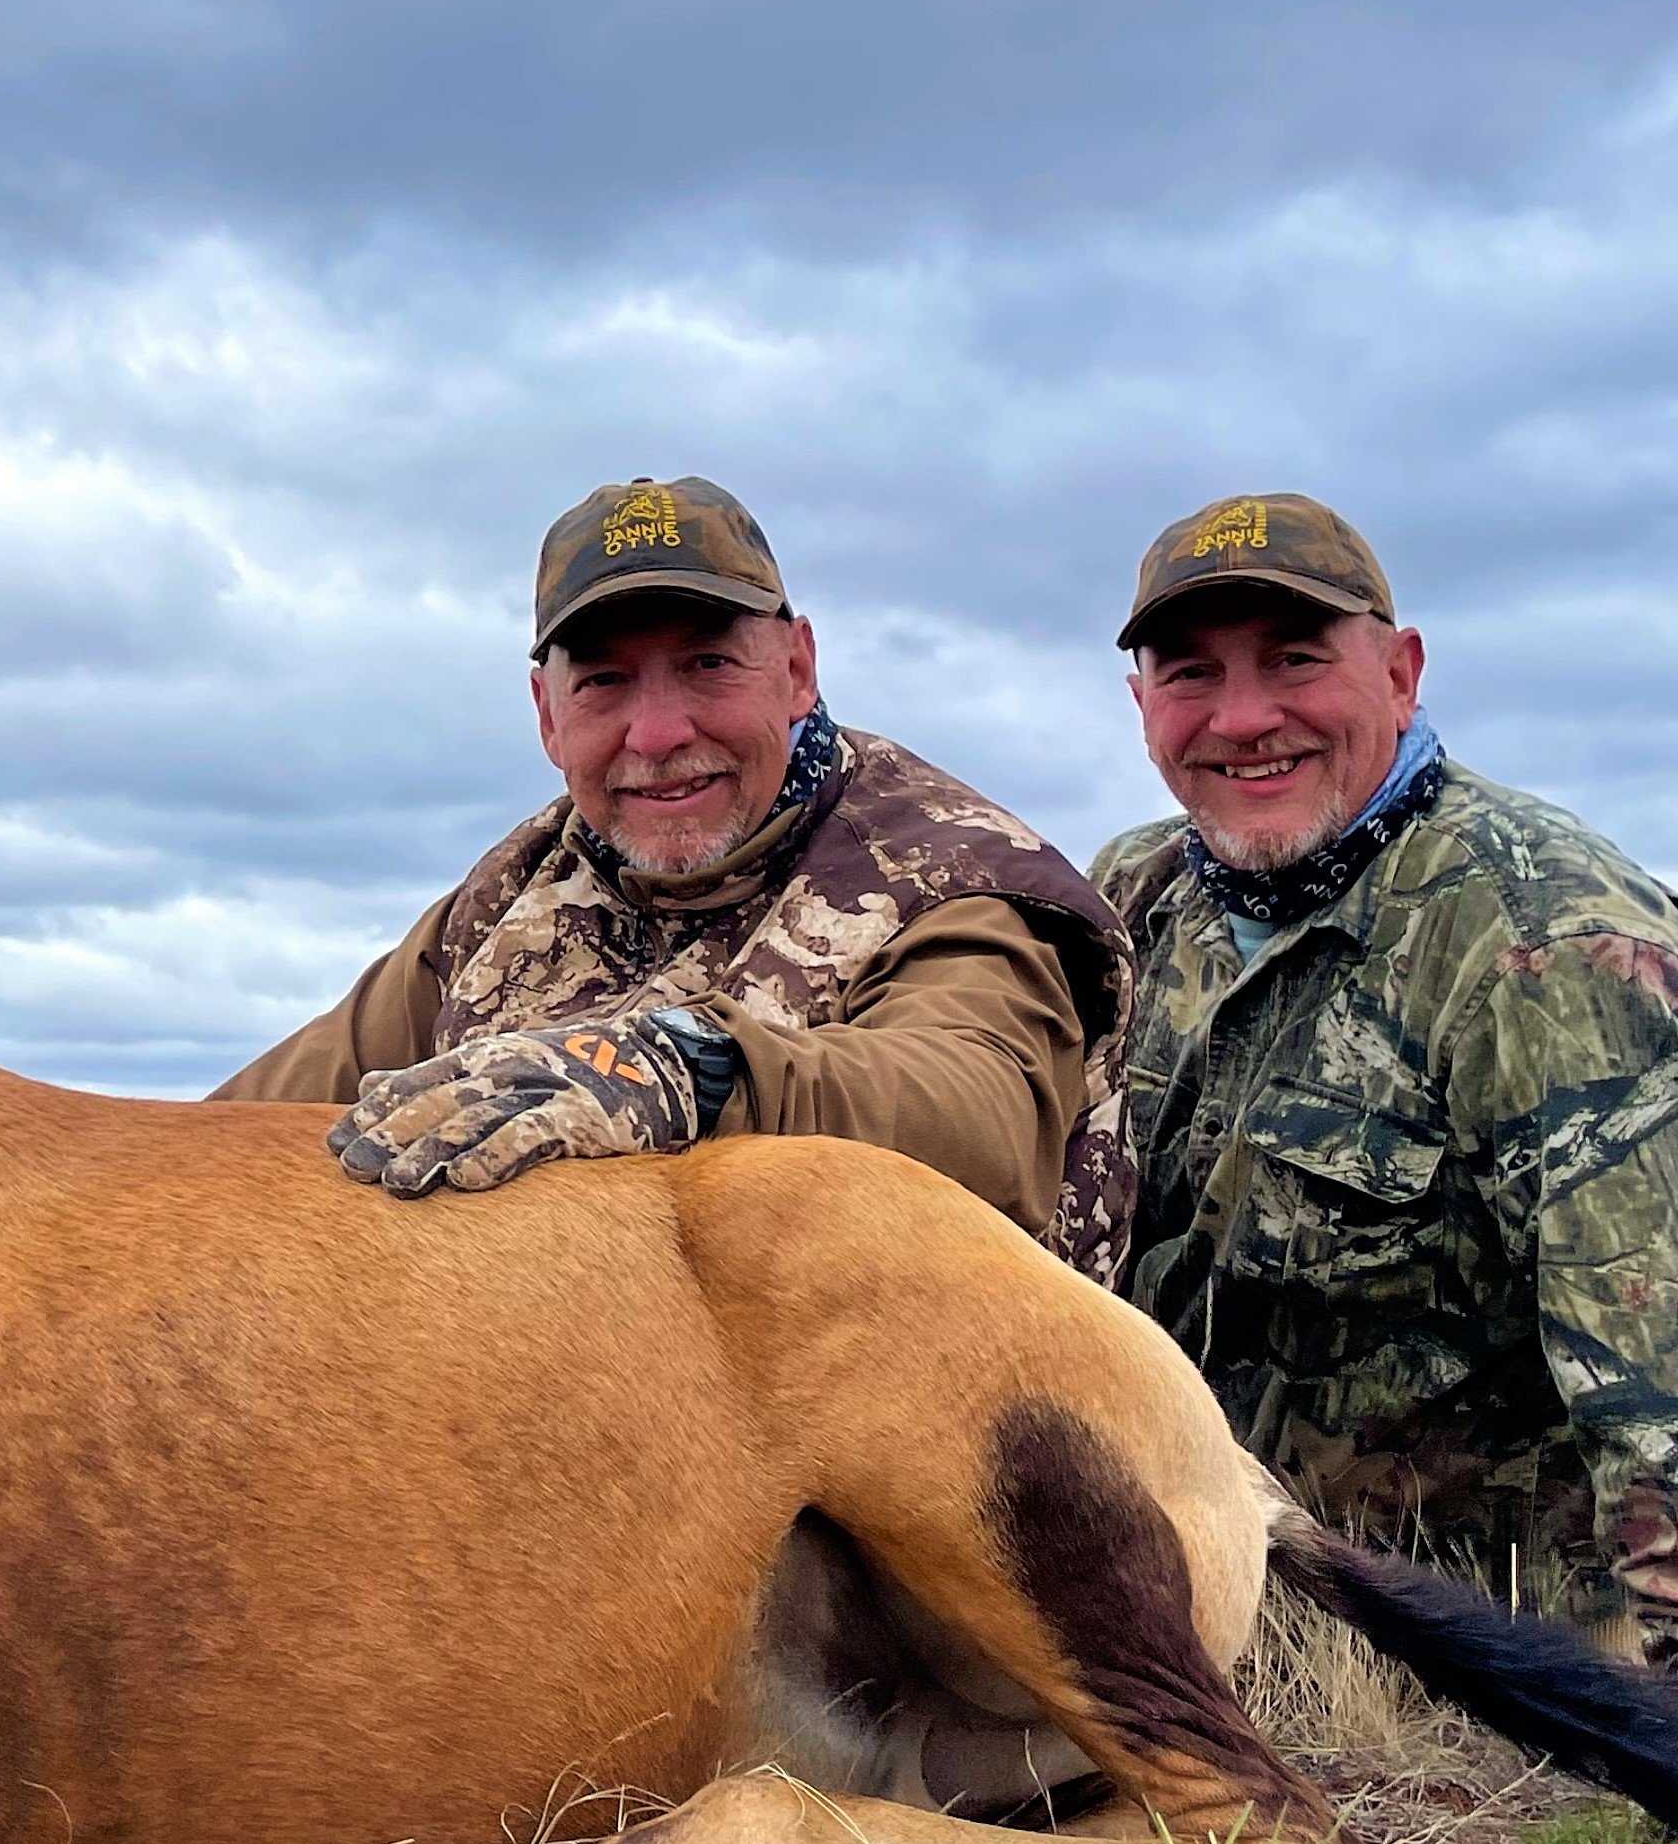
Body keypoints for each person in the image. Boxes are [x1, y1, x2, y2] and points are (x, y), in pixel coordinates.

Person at [1093, 491, 1678, 1765]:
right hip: (1213, 1610)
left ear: (1398, 676)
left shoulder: (1550, 941)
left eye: (1294, 658)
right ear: (1142, 710)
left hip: (1472, 1652)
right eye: (1192, 674)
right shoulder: (1131, 896)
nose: (1241, 717)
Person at [216, 476, 1137, 1276]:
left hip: (920, 1440)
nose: (655, 736)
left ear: (796, 669)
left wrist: (682, 1073)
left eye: (706, 665)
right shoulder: (510, 894)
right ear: (546, 714)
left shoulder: (952, 874)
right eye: (604, 683)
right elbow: (238, 1131)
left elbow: (982, 1122)